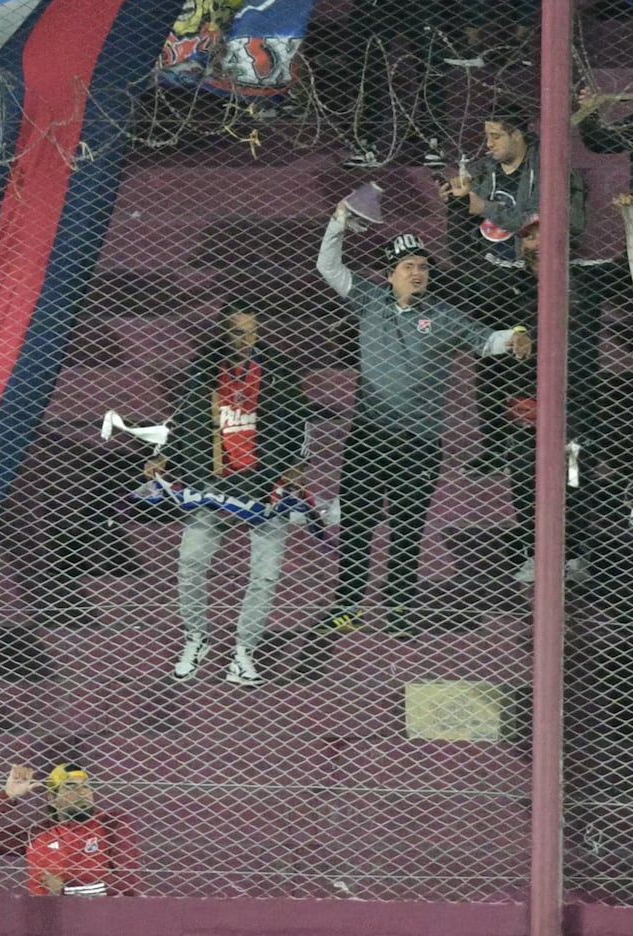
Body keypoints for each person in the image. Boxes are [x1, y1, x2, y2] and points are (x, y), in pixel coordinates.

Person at [314, 212, 527, 635]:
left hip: (421, 443)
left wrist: (517, 332)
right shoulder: (369, 300)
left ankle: (399, 608)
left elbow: (486, 341)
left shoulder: (444, 317)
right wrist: (337, 221)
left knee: (408, 526)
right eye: (409, 267)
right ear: (390, 273)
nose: (418, 273)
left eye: (424, 267)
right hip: (369, 437)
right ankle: (349, 605)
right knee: (358, 522)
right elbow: (328, 267)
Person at [148, 303, 304, 685]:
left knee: (266, 574)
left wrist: (298, 465)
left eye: (252, 331)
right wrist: (163, 454)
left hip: (264, 486)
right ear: (224, 334)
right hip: (212, 486)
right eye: (237, 332)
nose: (246, 339)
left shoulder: (280, 372)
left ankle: (243, 652)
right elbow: (182, 417)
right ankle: (196, 637)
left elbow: (300, 421)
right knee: (190, 562)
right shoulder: (204, 372)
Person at [0, 759, 135, 897]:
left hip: (100, 919)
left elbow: (128, 885)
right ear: (52, 799)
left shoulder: (111, 824)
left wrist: (65, 889)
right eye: (71, 787)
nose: (82, 792)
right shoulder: (37, 834)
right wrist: (7, 796)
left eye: (86, 786)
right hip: (45, 920)